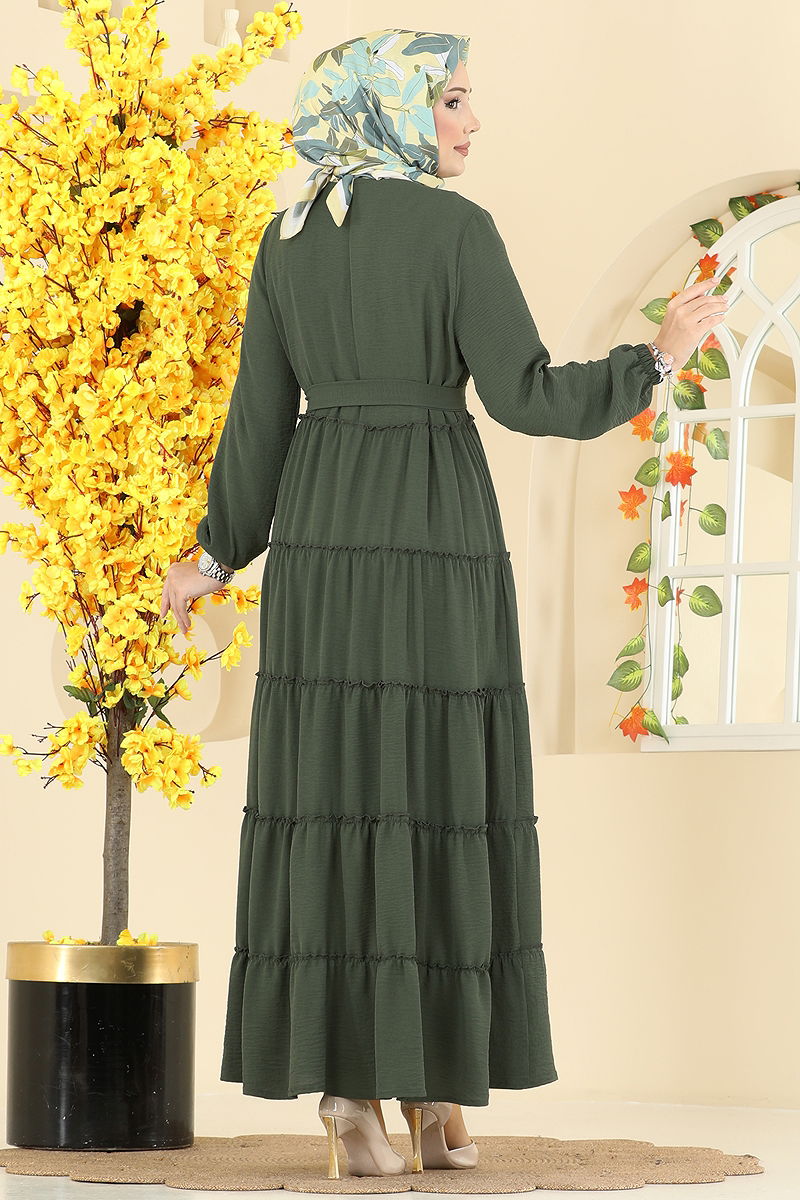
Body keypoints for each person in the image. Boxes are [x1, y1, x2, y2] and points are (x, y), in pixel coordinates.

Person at [160, 27, 730, 1180]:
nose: (471, 122)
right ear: (391, 106)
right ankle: (429, 1092)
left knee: (336, 790)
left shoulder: (285, 240)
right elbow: (525, 396)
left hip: (323, 534)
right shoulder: (455, 231)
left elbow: (257, 419)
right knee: (433, 786)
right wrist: (656, 356)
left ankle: (357, 1098)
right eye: (452, 99)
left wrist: (213, 556)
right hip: (431, 528)